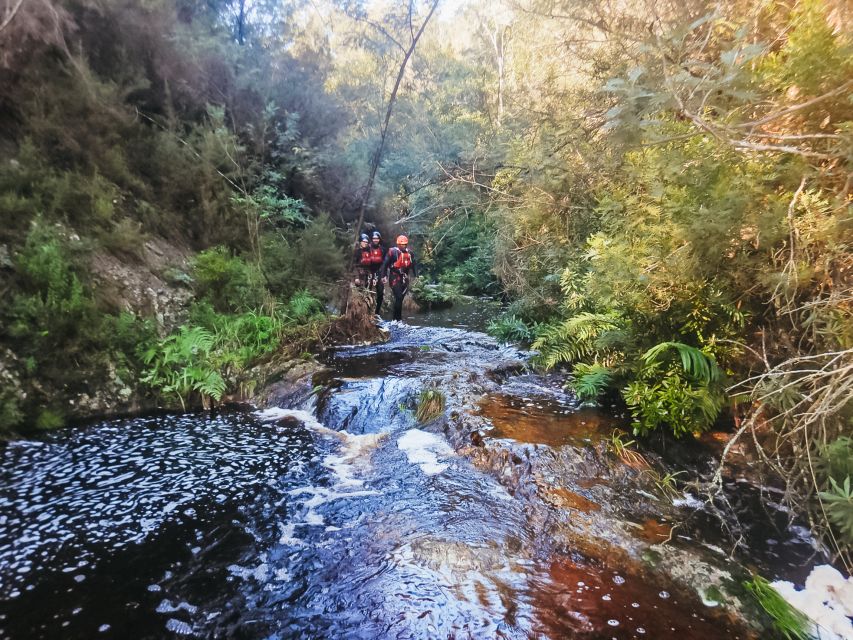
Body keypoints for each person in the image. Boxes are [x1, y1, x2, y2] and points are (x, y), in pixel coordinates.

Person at [380, 235, 418, 322]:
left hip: (404, 278)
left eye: (405, 244)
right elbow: (385, 264)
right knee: (399, 297)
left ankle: (397, 319)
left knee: (400, 299)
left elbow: (414, 264)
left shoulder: (410, 253)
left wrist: (416, 276)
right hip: (394, 277)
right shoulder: (392, 252)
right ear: (398, 244)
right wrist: (383, 276)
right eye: (401, 244)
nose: (403, 246)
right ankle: (396, 320)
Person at [368, 231, 386, 314]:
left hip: (379, 272)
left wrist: (383, 274)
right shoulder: (368, 248)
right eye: (374, 238)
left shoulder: (382, 249)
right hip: (369, 271)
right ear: (372, 239)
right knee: (368, 290)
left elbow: (385, 263)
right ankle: (366, 311)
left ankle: (377, 312)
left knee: (380, 292)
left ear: (379, 239)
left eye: (377, 238)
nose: (375, 240)